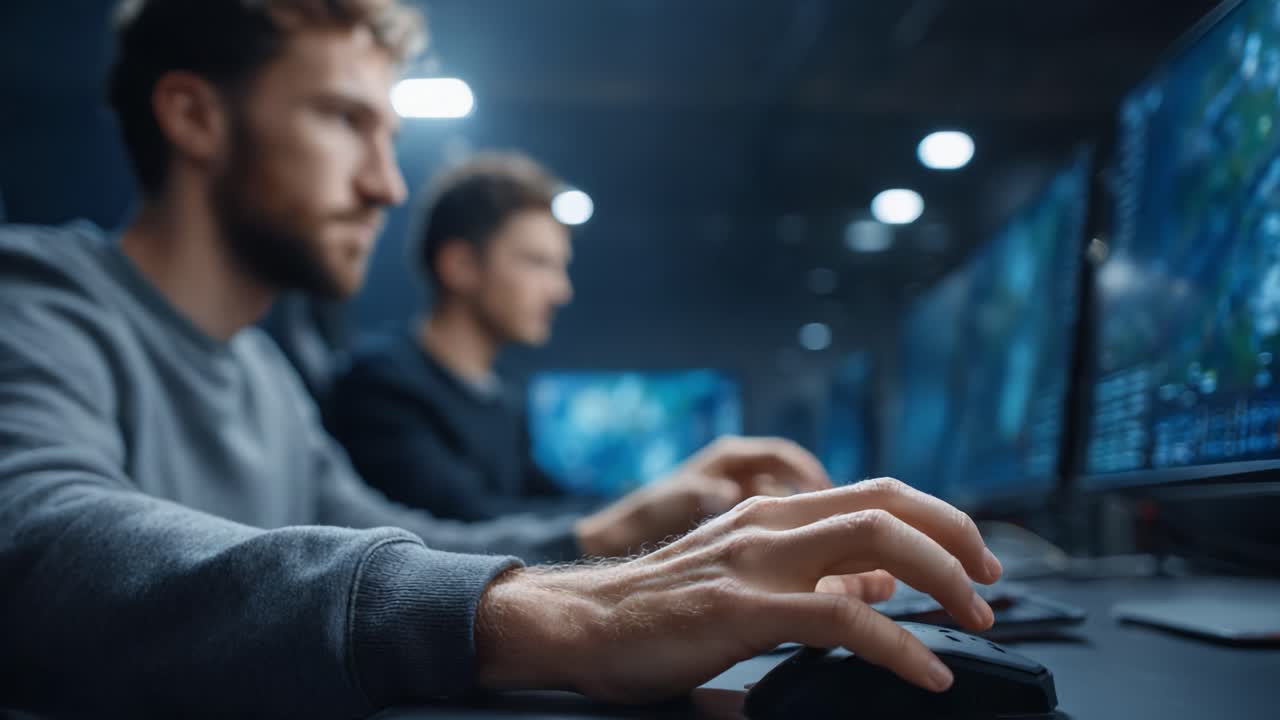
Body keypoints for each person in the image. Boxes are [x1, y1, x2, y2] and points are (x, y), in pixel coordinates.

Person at [0, 0, 1002, 717]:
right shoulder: (32, 295)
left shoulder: (259, 374)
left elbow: (389, 536)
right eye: (345, 120)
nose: (388, 184)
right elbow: (39, 540)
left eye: (389, 135)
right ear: (193, 116)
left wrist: (628, 540)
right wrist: (572, 617)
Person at [329, 153, 608, 522]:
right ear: (460, 266)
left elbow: (544, 497)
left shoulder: (502, 394)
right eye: (537, 262)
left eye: (559, 267)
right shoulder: (381, 383)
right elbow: (465, 523)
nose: (561, 291)